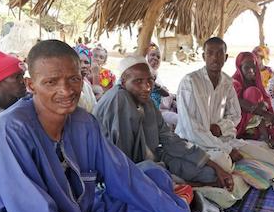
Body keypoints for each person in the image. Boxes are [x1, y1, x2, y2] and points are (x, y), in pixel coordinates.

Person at [0, 40, 229, 212]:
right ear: (30, 85)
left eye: (73, 79)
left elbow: (124, 176)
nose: (66, 90)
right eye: (51, 82)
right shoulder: (9, 131)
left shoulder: (82, 122)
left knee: (156, 179)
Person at [93, 55, 234, 190]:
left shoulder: (147, 103)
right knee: (157, 174)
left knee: (209, 173)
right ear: (123, 82)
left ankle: (180, 184)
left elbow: (170, 139)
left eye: (150, 80)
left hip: (152, 161)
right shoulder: (119, 99)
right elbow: (120, 162)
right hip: (120, 172)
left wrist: (215, 166)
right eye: (138, 81)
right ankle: (186, 186)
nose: (147, 87)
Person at [176, 37, 274, 175]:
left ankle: (238, 163)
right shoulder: (190, 82)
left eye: (219, 53)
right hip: (193, 143)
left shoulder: (227, 82)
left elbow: (235, 115)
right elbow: (191, 129)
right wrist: (227, 150)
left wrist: (221, 127)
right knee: (224, 162)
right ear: (204, 56)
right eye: (210, 53)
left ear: (226, 57)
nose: (215, 58)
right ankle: (231, 166)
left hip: (222, 140)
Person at [232, 51, 274, 146]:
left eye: (253, 66)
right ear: (239, 68)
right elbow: (237, 103)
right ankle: (262, 137)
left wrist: (264, 106)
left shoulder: (257, 81)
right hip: (241, 124)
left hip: (262, 123)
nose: (251, 70)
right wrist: (264, 112)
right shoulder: (234, 83)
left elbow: (267, 102)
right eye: (246, 67)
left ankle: (258, 137)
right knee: (252, 92)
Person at [0, 47, 26, 128]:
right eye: (17, 77)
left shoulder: (23, 98)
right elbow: (4, 122)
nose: (23, 81)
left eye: (22, 75)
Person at [147, 43, 179, 127]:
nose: (155, 58)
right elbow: (163, 93)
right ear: (146, 57)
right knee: (180, 120)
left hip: (165, 108)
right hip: (156, 112)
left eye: (158, 57)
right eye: (152, 55)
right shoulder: (145, 75)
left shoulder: (157, 75)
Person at [74, 44, 97, 113]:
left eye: (86, 62)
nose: (83, 65)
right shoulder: (67, 86)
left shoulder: (86, 86)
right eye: (79, 61)